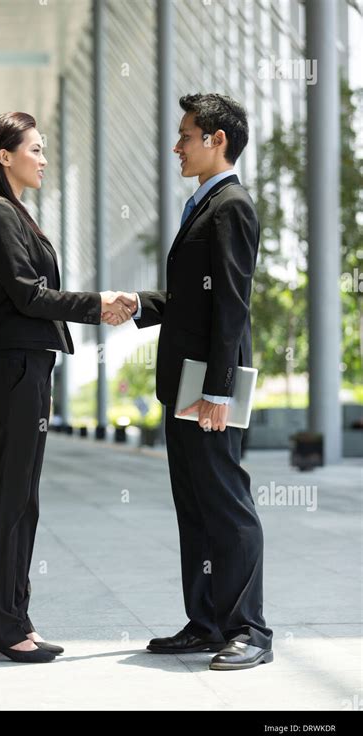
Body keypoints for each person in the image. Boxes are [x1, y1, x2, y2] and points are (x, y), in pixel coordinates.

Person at [106, 93, 273, 670]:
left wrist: (220, 393)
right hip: (187, 384)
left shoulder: (231, 206)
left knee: (227, 504)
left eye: (185, 135)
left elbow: (231, 306)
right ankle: (205, 622)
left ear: (216, 140)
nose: (176, 146)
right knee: (195, 506)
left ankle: (249, 629)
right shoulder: (204, 204)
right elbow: (193, 302)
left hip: (209, 388)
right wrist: (141, 304)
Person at [0, 112, 135, 663]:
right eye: (35, 149)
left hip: (28, 363)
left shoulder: (16, 214)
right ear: (5, 156)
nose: (43, 159)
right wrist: (97, 304)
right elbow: (27, 294)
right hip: (12, 365)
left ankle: (17, 618)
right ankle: (2, 628)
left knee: (25, 499)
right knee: (10, 496)